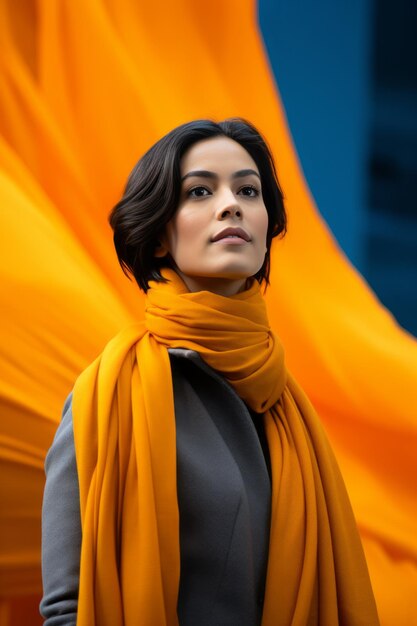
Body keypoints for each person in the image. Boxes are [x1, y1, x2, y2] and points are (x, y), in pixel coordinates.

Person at [40, 119, 380, 626]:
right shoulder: (108, 394)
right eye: (200, 191)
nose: (231, 204)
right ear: (158, 237)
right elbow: (68, 608)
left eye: (248, 189)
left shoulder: (286, 406)